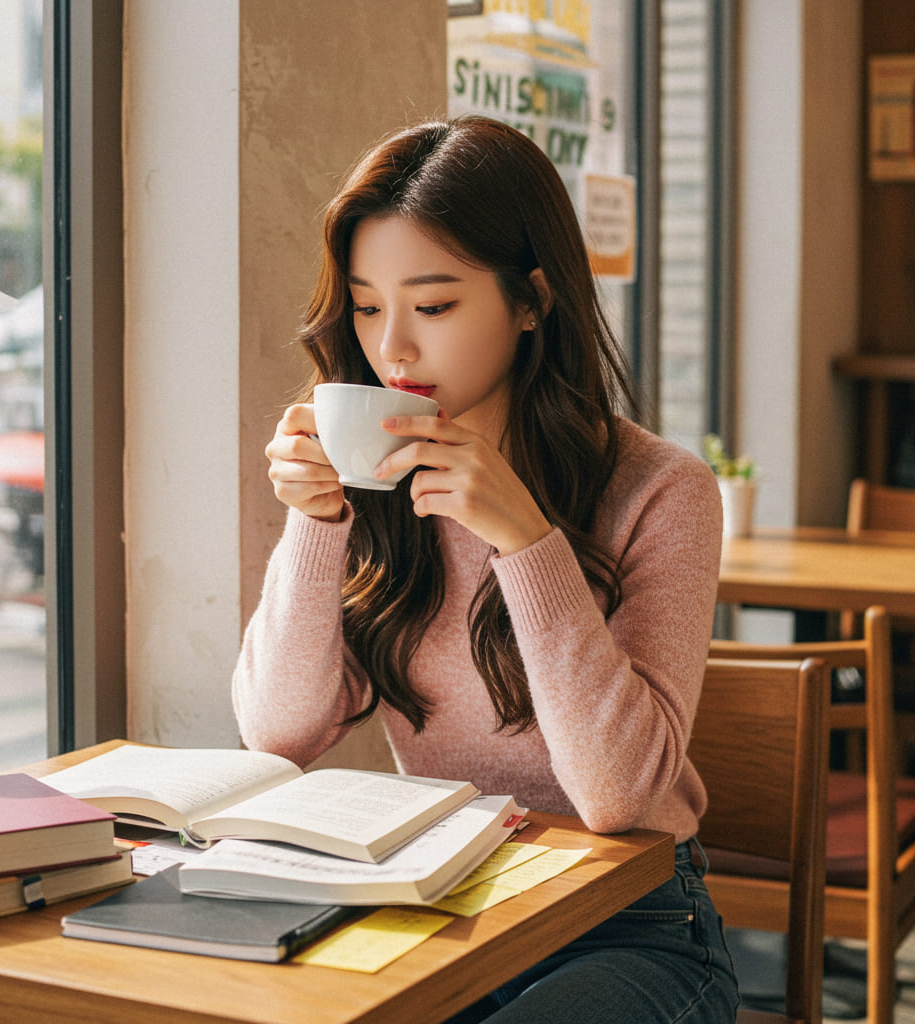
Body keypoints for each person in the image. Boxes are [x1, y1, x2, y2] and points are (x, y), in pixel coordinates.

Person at [234, 115, 739, 1022]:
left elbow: (619, 794)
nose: (392, 348)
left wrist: (529, 544)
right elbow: (280, 734)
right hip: (439, 900)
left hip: (632, 925)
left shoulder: (663, 489)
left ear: (532, 299)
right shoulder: (382, 483)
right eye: (365, 303)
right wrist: (315, 521)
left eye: (432, 306)